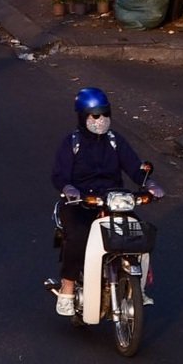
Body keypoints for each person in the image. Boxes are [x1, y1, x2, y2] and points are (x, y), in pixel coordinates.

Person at [49, 87, 162, 316]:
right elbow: (59, 175)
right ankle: (68, 287)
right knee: (79, 235)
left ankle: (137, 288)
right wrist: (70, 189)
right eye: (95, 116)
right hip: (80, 203)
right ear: (83, 117)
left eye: (105, 114)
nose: (100, 121)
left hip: (113, 200)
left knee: (137, 234)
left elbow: (134, 166)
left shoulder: (115, 141)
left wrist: (149, 183)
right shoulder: (72, 142)